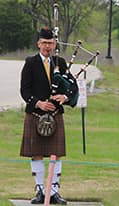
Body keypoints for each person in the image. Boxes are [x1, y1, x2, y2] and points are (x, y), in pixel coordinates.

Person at [20, 28, 78, 204]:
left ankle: (53, 192)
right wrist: (38, 103)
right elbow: (24, 90)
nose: (47, 46)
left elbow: (72, 86)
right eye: (44, 43)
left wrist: (65, 96)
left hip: (55, 113)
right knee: (36, 153)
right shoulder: (30, 62)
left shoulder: (59, 61)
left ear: (54, 44)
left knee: (56, 153)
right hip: (36, 114)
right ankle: (40, 191)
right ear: (38, 44)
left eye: (50, 43)